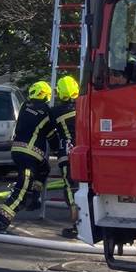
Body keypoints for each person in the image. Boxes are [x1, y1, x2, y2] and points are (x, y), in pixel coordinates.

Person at [0, 81, 56, 233]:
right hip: (31, 154)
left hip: (17, 151)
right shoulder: (47, 112)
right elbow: (51, 135)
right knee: (22, 189)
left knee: (44, 169)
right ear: (46, 95)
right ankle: (2, 219)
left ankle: (33, 198)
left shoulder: (24, 106)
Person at [51, 75, 80, 238]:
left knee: (69, 185)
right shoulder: (84, 107)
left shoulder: (55, 112)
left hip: (65, 154)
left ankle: (75, 221)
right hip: (84, 152)